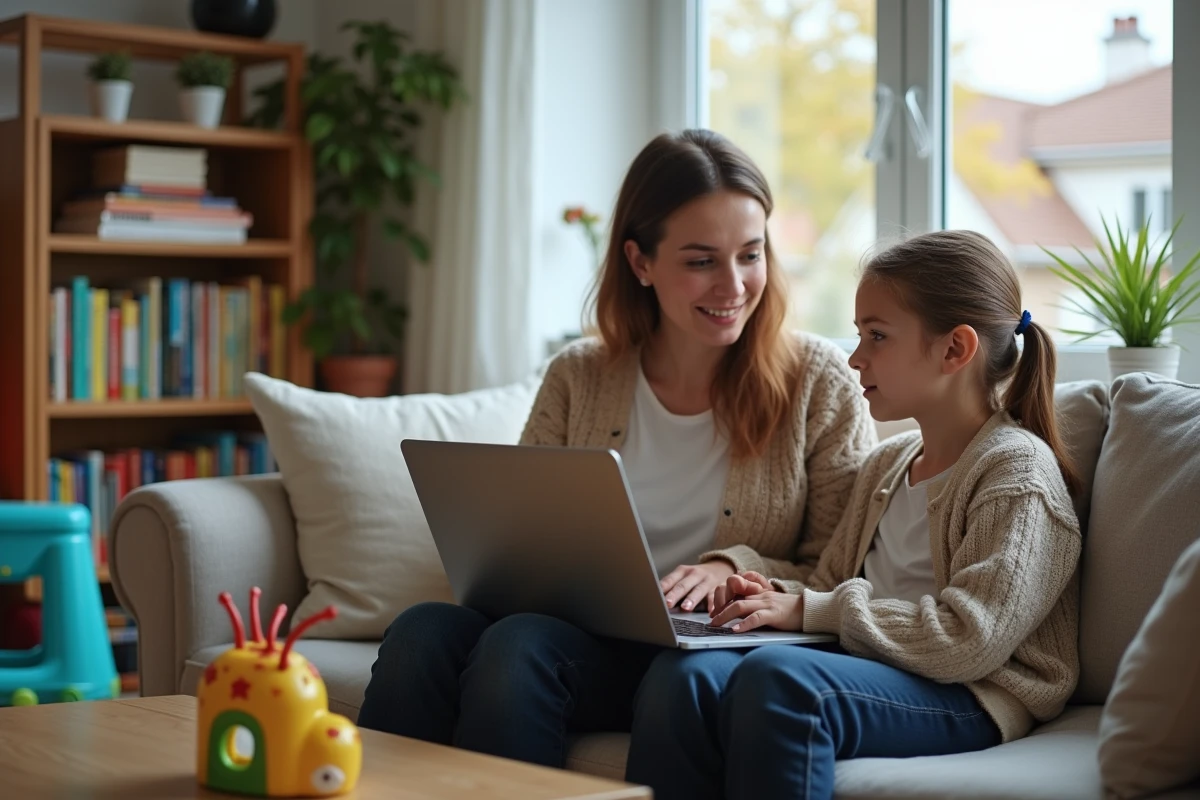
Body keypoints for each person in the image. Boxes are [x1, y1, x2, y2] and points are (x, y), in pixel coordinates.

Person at [355, 129, 876, 767]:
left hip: (708, 654)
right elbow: (521, 536)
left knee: (519, 648)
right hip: (587, 637)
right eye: (700, 260)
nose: (734, 285)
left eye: (750, 253)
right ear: (640, 262)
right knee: (421, 631)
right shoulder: (579, 376)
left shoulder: (818, 382)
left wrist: (728, 567)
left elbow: (838, 570)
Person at [625, 229, 1084, 800]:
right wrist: (764, 593)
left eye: (877, 336)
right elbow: (827, 587)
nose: (854, 357)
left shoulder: (1016, 473)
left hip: (975, 691)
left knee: (783, 683)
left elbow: (970, 639)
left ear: (954, 350)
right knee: (683, 676)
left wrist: (810, 610)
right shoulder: (889, 464)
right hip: (869, 667)